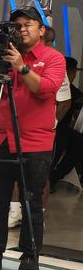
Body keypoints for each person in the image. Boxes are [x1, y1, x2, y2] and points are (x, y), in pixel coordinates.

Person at [0, 7, 66, 270]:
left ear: (42, 30)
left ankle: (30, 256)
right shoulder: (4, 54)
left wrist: (21, 67)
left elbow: (44, 89)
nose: (22, 29)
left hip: (34, 143)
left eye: (28, 24)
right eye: (17, 25)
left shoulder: (53, 58)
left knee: (31, 202)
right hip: (0, 136)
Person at [49, 57, 83, 191]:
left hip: (63, 129)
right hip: (56, 129)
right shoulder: (65, 87)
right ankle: (49, 180)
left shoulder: (70, 88)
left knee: (78, 143)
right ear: (71, 72)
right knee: (54, 154)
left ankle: (52, 178)